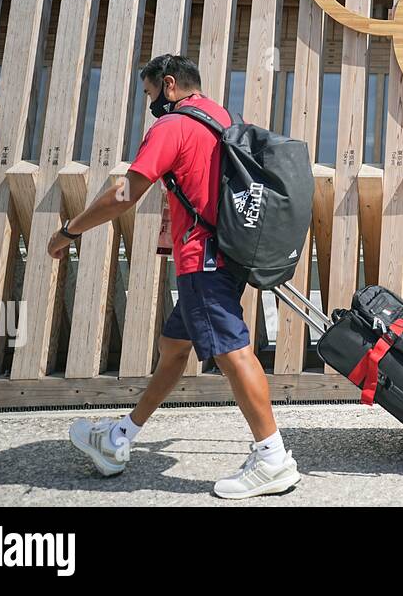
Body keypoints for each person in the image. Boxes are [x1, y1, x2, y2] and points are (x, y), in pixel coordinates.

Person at [54, 54, 301, 499]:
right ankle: (120, 438)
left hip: (201, 259)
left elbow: (125, 194)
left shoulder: (172, 126)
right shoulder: (221, 117)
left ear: (169, 85)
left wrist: (69, 231)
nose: (150, 103)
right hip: (227, 253)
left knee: (233, 352)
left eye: (150, 94)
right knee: (173, 349)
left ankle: (273, 459)